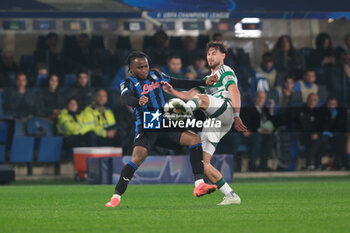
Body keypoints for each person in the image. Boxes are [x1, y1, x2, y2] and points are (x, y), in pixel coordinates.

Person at [105, 51, 218, 208]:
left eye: (146, 66)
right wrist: (138, 101)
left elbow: (179, 82)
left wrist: (203, 82)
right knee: (136, 159)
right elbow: (125, 98)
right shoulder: (128, 83)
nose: (144, 70)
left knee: (195, 139)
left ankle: (199, 184)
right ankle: (115, 197)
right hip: (147, 126)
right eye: (139, 67)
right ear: (131, 68)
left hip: (164, 123)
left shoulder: (156, 76)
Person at [161, 41, 247, 205]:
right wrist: (172, 91)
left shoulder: (225, 71)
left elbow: (234, 91)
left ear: (223, 56)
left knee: (199, 99)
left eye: (214, 53)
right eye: (208, 53)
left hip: (227, 110)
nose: (210, 56)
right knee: (203, 163)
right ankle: (231, 195)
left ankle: (181, 115)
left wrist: (237, 115)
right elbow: (190, 94)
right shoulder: (208, 79)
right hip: (214, 120)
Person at [241, 91, 276, 172]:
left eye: (263, 98)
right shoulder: (249, 109)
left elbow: (272, 123)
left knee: (271, 137)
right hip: (250, 135)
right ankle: (252, 164)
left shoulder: (265, 110)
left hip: (262, 135)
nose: (261, 99)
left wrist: (271, 109)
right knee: (257, 138)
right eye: (259, 97)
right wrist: (260, 130)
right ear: (255, 98)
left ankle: (264, 164)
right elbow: (248, 125)